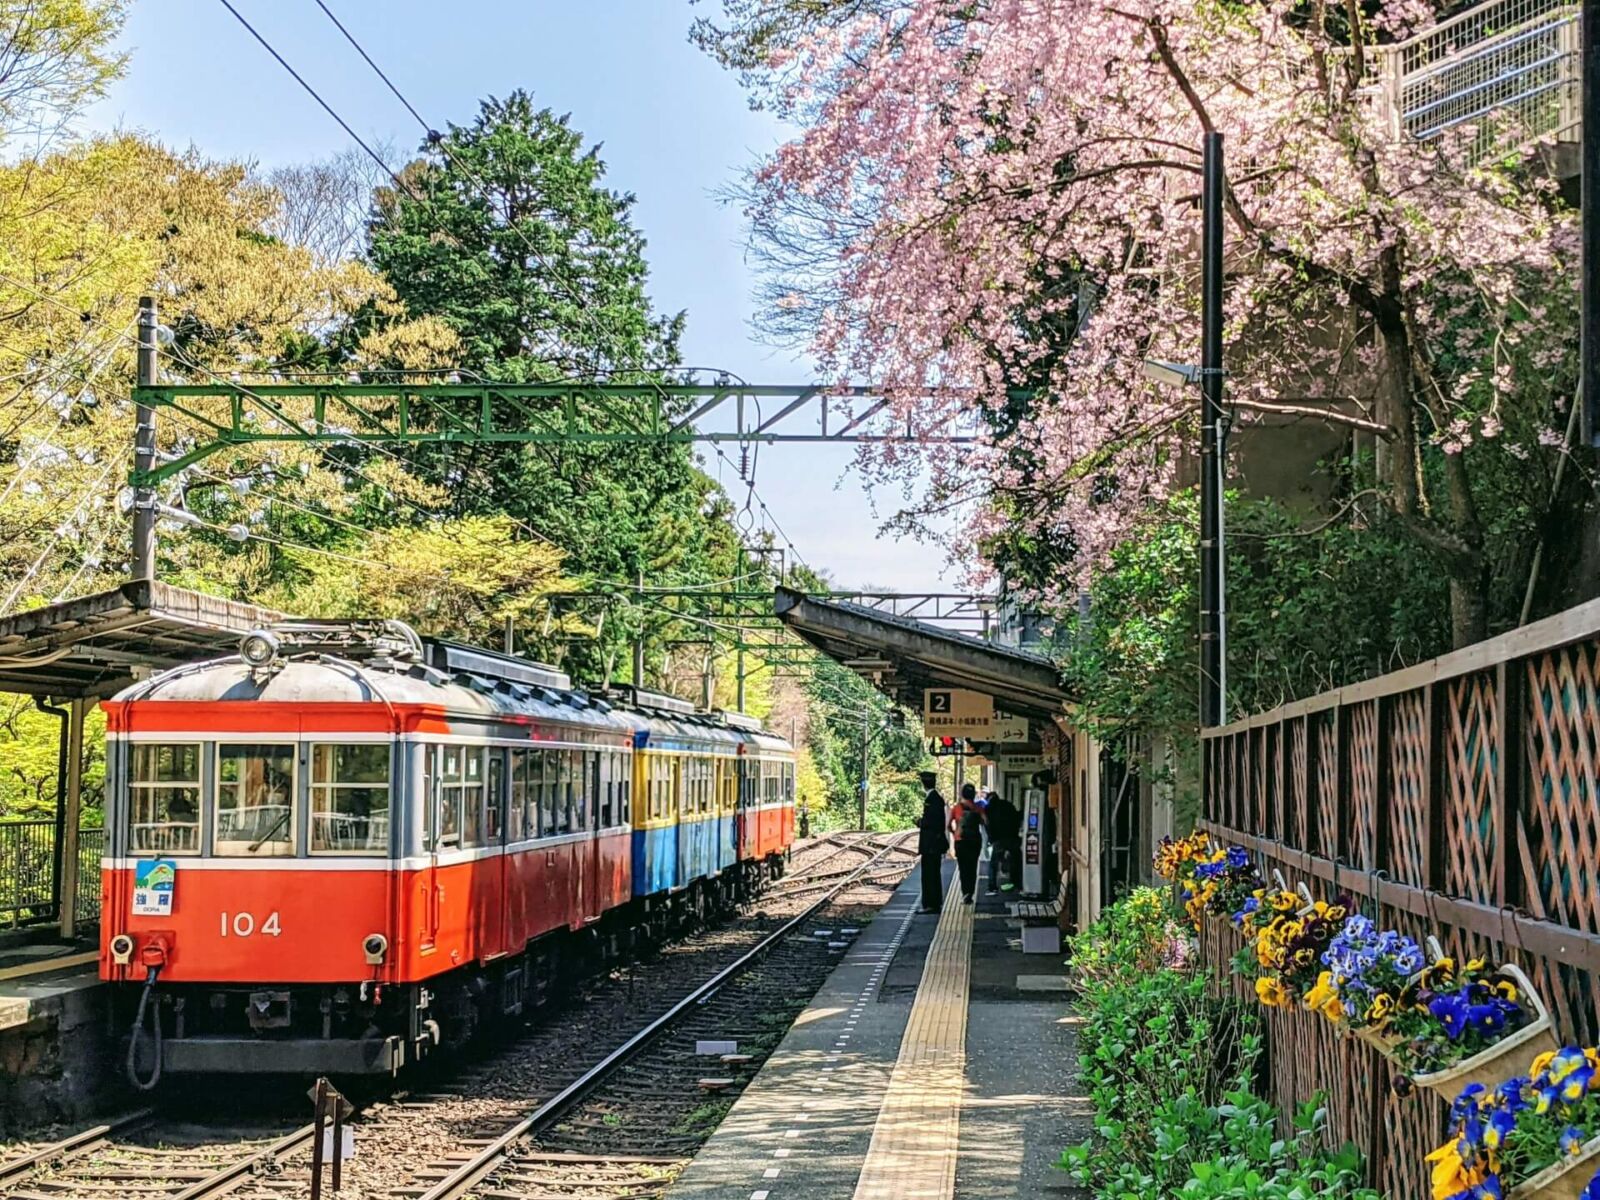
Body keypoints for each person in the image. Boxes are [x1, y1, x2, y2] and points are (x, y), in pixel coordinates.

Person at [915, 771, 947, 913]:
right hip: (934, 844)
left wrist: (919, 822)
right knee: (933, 873)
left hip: (931, 845)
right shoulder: (936, 798)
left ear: (924, 783)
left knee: (929, 875)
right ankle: (933, 903)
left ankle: (930, 905)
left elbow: (931, 822)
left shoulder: (932, 799)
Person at [948, 782, 986, 904]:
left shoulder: (956, 808)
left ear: (962, 794)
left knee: (963, 868)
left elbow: (948, 825)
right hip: (975, 841)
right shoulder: (978, 808)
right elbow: (986, 822)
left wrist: (955, 833)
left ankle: (965, 893)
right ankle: (970, 893)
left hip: (961, 842)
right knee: (973, 867)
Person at [984, 790, 1021, 895]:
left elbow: (988, 825)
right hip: (1012, 837)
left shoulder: (988, 809)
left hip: (998, 839)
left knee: (993, 864)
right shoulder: (1008, 805)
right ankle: (1016, 883)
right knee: (1016, 860)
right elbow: (1016, 819)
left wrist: (991, 839)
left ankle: (992, 887)